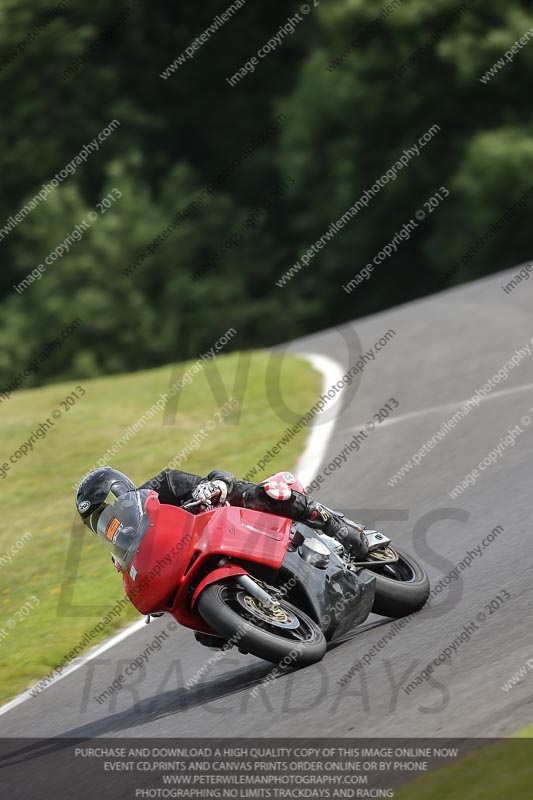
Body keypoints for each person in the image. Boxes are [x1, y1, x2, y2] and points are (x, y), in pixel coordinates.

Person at [75, 466, 369, 559]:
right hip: (208, 555)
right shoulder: (127, 547)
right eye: (98, 518)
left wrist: (213, 486)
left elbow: (218, 475)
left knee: (266, 494)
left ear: (120, 490)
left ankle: (338, 527)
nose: (107, 518)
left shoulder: (161, 485)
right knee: (207, 637)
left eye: (106, 506)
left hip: (232, 515)